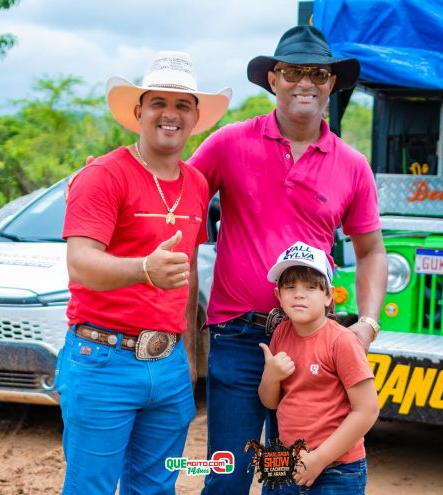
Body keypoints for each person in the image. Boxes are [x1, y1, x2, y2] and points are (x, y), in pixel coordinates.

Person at [190, 25, 387, 494]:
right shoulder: (228, 143)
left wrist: (369, 324)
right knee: (228, 475)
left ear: (332, 84)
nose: (306, 83)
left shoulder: (352, 163)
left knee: (292, 476)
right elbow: (178, 206)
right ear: (273, 79)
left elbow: (372, 250)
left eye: (318, 73)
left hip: (311, 342)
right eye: (293, 71)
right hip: (239, 338)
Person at [57, 51, 231, 495]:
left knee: (155, 488)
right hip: (102, 360)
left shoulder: (196, 185)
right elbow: (80, 263)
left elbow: (187, 274)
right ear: (138, 112)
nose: (169, 115)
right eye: (158, 103)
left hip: (169, 364)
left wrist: (188, 360)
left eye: (182, 105)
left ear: (195, 119)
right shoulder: (103, 176)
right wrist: (143, 269)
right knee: (90, 488)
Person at [259, 241, 379, 493]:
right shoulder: (281, 334)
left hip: (338, 469)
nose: (298, 294)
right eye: (289, 287)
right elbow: (271, 403)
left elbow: (367, 410)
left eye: (311, 287)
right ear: (278, 295)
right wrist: (271, 377)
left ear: (328, 296)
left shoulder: (342, 341)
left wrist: (318, 459)